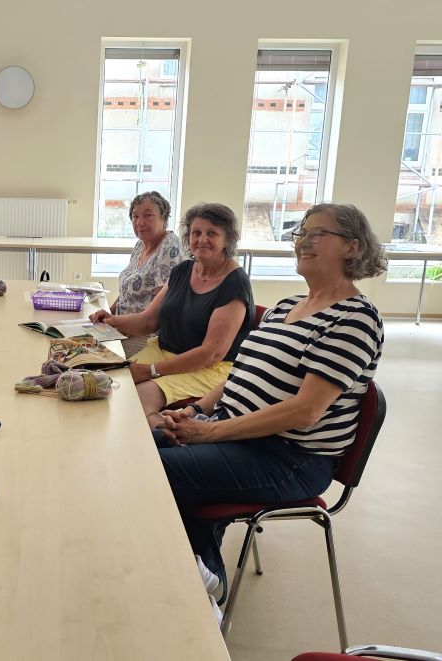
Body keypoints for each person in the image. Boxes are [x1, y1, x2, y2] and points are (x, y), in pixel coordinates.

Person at [154, 202, 386, 617]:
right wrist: (196, 412)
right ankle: (201, 571)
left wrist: (209, 433)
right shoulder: (284, 306)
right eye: (301, 232)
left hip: (288, 458)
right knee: (137, 447)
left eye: (318, 233)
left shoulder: (355, 319)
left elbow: (306, 410)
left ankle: (188, 584)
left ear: (352, 247)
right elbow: (239, 374)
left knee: (150, 471)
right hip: (234, 433)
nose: (303, 241)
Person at [91, 203, 254, 426]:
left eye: (212, 234)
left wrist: (150, 371)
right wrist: (110, 320)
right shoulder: (182, 270)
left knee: (138, 398)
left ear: (228, 240)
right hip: (163, 351)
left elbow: (211, 354)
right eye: (196, 233)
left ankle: (168, 446)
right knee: (110, 382)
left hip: (208, 368)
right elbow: (148, 320)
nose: (202, 239)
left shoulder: (234, 284)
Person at [89, 191, 184, 356]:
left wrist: (117, 323)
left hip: (147, 336)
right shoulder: (141, 244)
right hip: (122, 328)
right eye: (135, 216)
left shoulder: (170, 249)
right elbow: (129, 287)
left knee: (90, 357)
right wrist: (108, 312)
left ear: (164, 219)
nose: (140, 222)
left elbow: (159, 313)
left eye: (148, 215)